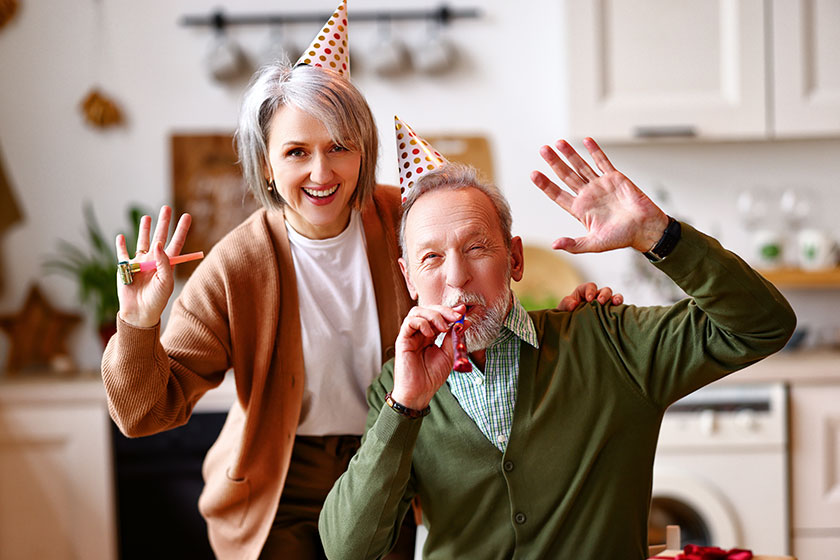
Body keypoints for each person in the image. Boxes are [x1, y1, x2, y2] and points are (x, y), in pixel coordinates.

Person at [99, 5, 617, 558]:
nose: (321, 174)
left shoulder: (409, 220)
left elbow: (485, 289)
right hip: (280, 485)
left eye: (338, 147)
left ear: (363, 150)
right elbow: (143, 413)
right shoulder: (236, 266)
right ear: (268, 165)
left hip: (395, 460)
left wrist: (570, 318)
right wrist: (138, 320)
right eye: (297, 152)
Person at [318, 134, 796, 559]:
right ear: (409, 280)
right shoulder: (397, 388)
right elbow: (348, 549)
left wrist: (657, 234)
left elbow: (763, 325)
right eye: (431, 258)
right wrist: (405, 406)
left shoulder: (609, 342)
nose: (457, 276)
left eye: (477, 248)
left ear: (516, 259)